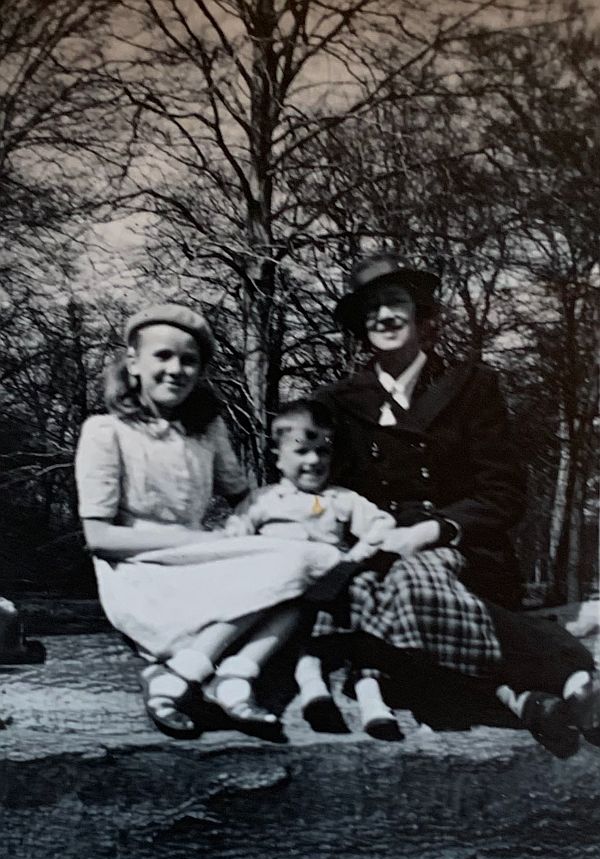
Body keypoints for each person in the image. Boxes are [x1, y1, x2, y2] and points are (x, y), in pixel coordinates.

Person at [304, 251, 599, 757]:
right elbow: (323, 493)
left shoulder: (471, 387)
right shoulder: (337, 401)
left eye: (395, 302)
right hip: (378, 551)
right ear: (360, 324)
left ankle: (537, 681)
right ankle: (557, 676)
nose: (384, 316)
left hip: (469, 554)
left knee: (409, 579)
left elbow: (504, 495)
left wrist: (432, 530)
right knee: (387, 584)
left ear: (420, 314)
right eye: (370, 308)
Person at [75, 303, 341, 738]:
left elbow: (246, 497)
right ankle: (192, 673)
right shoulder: (106, 432)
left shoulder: (207, 430)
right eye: (163, 356)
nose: (176, 369)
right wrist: (192, 538)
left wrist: (298, 514)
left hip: (201, 558)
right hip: (139, 571)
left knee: (314, 567)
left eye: (189, 360)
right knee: (302, 566)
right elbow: (99, 537)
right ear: (133, 363)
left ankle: (225, 675)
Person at [223, 399, 398, 733]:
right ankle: (312, 688)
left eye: (323, 451)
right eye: (302, 452)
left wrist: (352, 557)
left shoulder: (340, 498)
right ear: (278, 457)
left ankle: (365, 693)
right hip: (278, 595)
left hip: (327, 591)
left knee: (355, 601)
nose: (314, 461)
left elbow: (381, 524)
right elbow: (234, 537)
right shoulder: (263, 500)